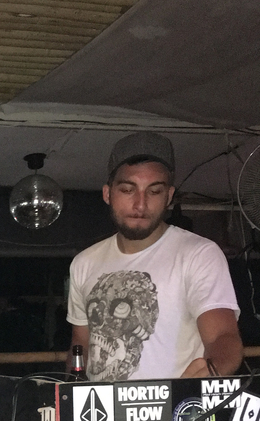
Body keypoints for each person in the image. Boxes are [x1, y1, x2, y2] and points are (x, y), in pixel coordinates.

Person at [67, 131, 243, 381]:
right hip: (100, 415)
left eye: (154, 191)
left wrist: (211, 371)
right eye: (128, 190)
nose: (140, 204)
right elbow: (81, 343)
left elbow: (223, 337)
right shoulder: (84, 263)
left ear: (169, 196)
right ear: (108, 194)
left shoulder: (198, 254)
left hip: (172, 415)